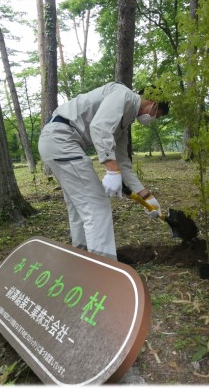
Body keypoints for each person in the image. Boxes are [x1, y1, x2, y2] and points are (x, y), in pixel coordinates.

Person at [38, 81, 169, 260]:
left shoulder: (125, 119)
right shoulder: (122, 94)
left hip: (56, 142)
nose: (153, 119)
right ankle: (104, 269)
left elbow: (123, 162)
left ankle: (81, 256)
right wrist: (111, 169)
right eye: (157, 116)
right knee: (97, 207)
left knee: (79, 207)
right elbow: (99, 128)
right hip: (62, 140)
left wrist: (147, 196)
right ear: (154, 105)